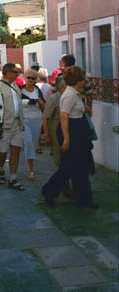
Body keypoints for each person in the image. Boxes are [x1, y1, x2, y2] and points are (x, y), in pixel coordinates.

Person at [42, 66, 98, 209]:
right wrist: (67, 139)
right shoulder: (70, 95)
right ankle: (49, 190)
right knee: (70, 167)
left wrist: (84, 108)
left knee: (78, 168)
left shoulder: (74, 93)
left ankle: (83, 199)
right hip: (72, 132)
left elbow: (72, 111)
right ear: (78, 80)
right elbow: (64, 116)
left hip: (77, 131)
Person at [0, 64, 25, 190]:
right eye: (15, 72)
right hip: (4, 125)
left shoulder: (16, 86)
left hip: (17, 123)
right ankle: (1, 169)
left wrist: (22, 123)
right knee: (2, 151)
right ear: (6, 72)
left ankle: (13, 178)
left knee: (16, 150)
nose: (17, 74)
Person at [21, 69, 45, 181]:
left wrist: (40, 103)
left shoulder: (37, 90)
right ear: (24, 78)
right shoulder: (20, 91)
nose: (30, 80)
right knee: (28, 142)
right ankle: (30, 170)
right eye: (28, 77)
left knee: (34, 144)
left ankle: (31, 166)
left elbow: (44, 107)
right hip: (24, 120)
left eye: (33, 78)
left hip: (37, 119)